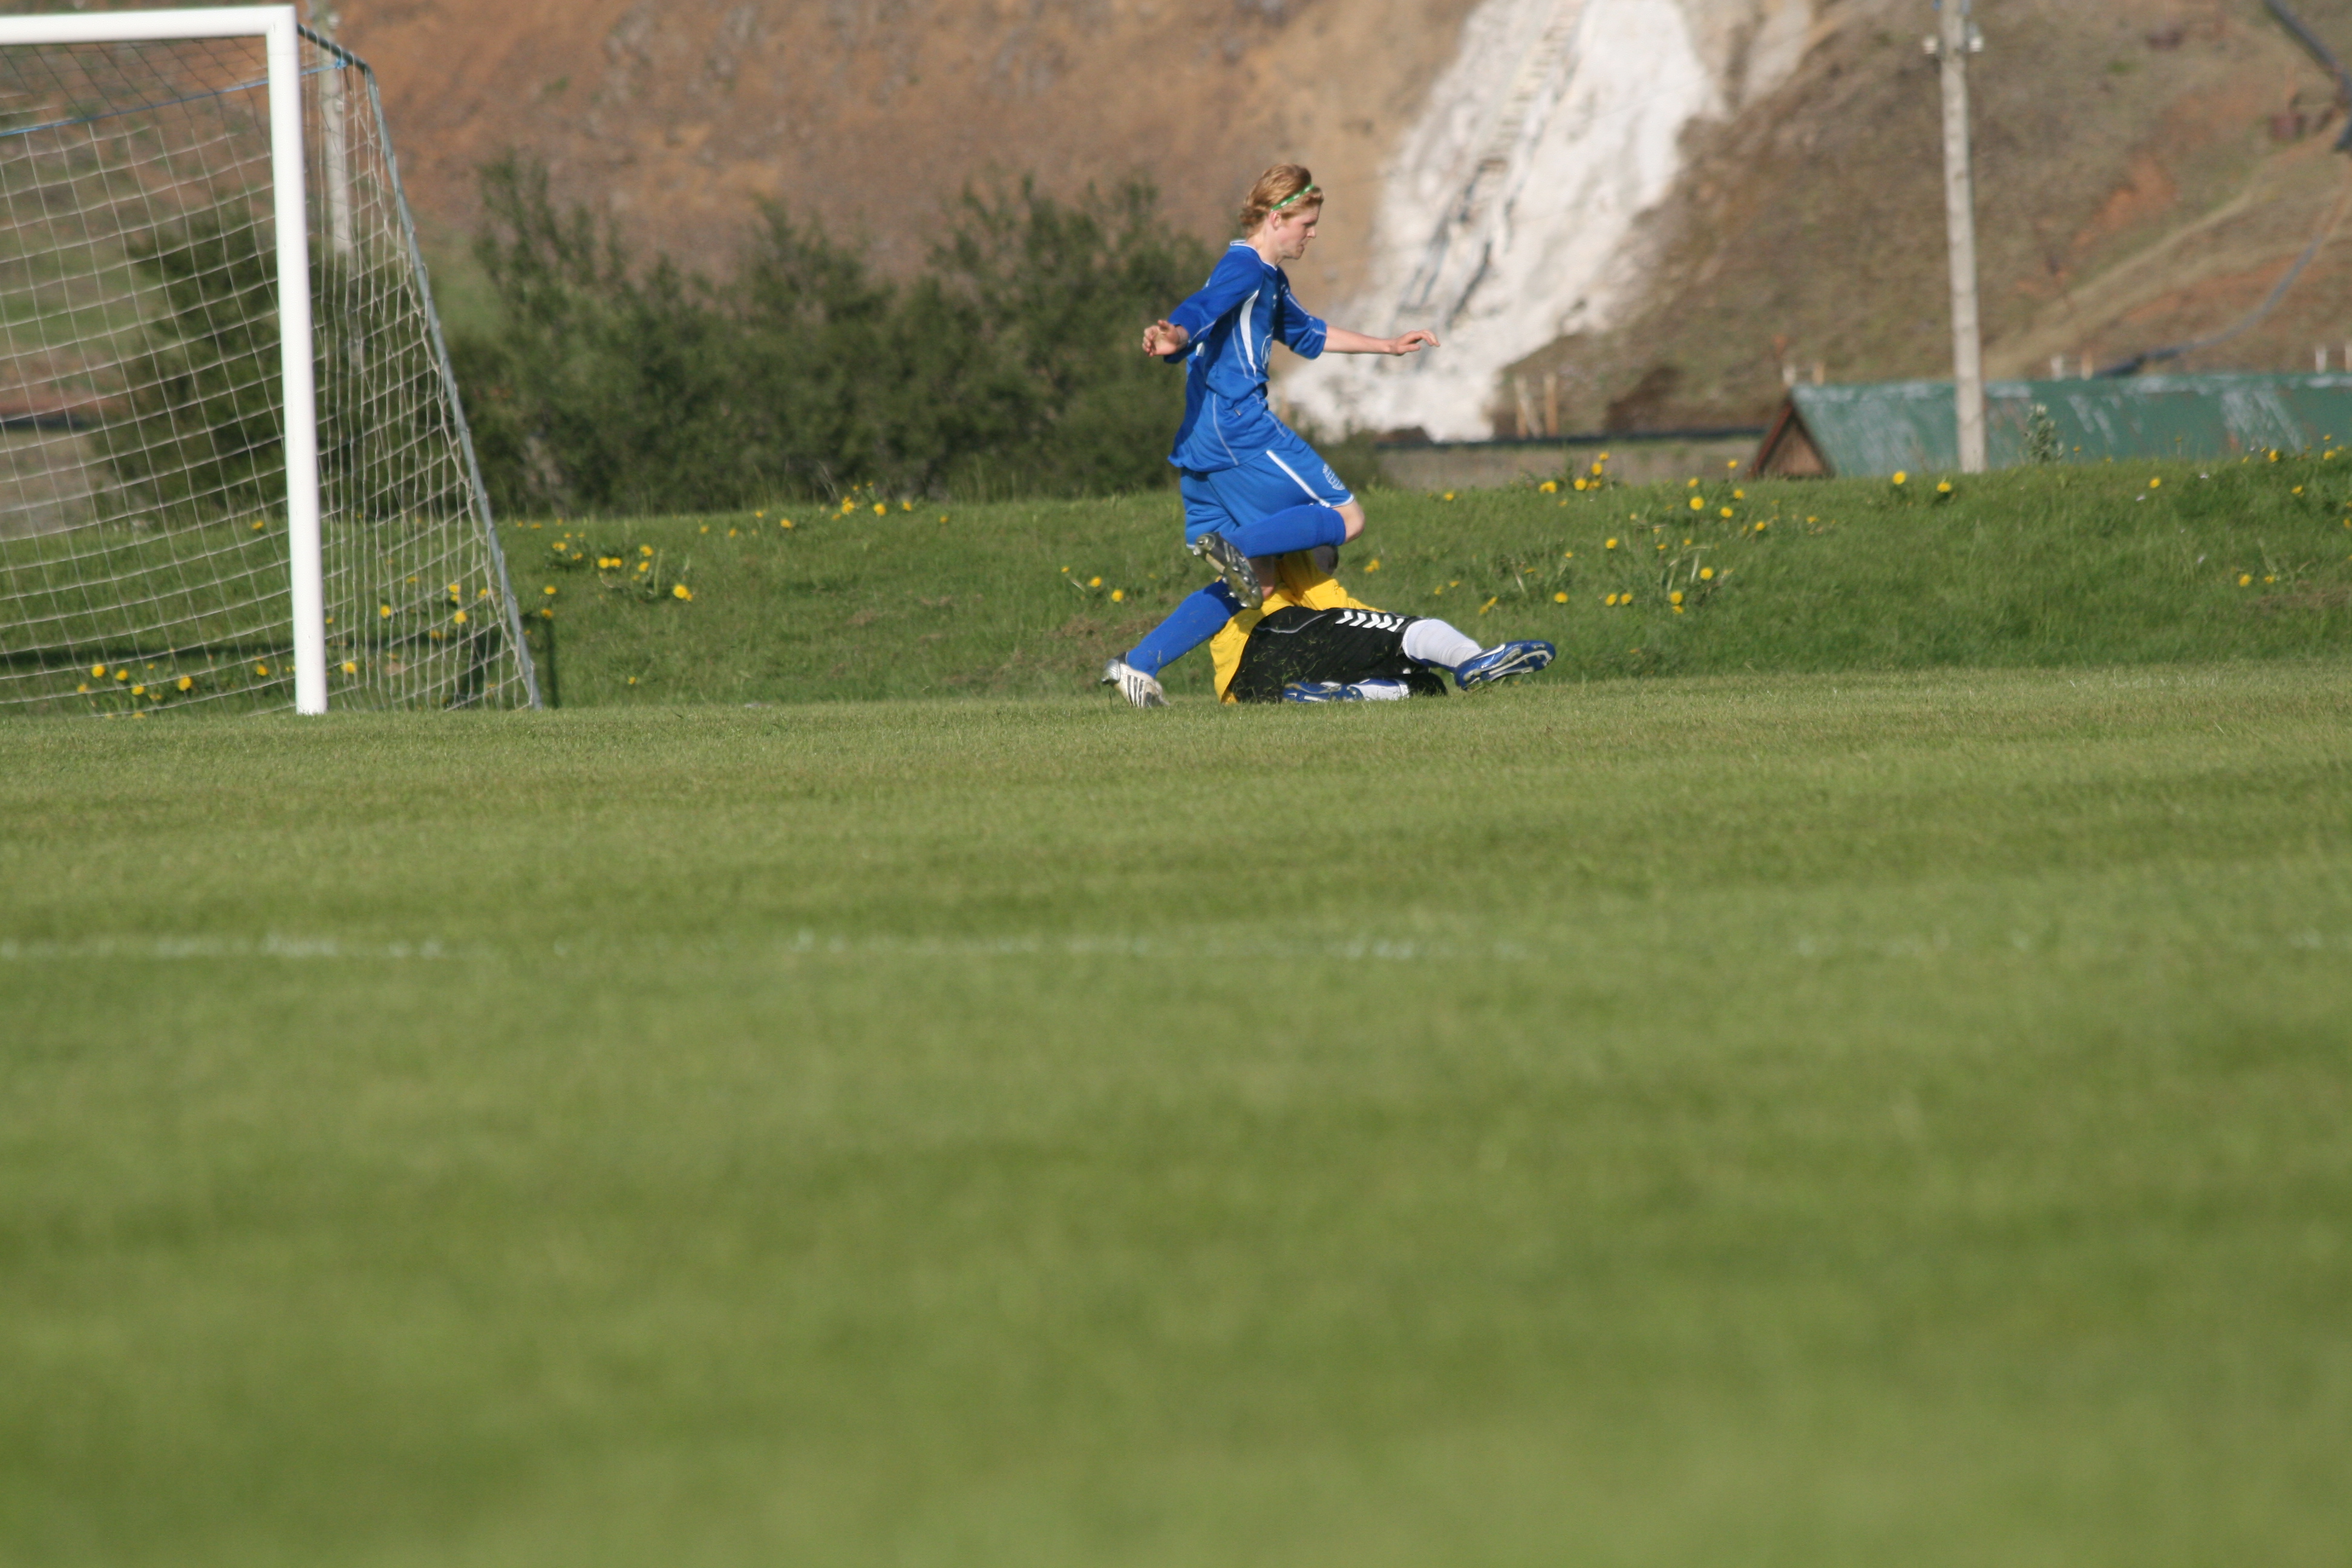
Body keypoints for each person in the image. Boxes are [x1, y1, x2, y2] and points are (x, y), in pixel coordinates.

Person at [1100, 163, 1440, 708]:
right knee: (1348, 516)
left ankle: (1139, 664)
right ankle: (1235, 546)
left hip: (1202, 444)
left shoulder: (1268, 280)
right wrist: (1177, 334)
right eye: (1307, 223)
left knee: (1255, 585)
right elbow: (1203, 308)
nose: (1313, 233)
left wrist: (1388, 345)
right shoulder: (1245, 269)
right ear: (1277, 218)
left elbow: (1308, 333)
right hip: (1240, 430)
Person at [1204, 550, 1555, 704]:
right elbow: (1338, 610)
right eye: (1328, 556)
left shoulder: (1236, 581)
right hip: (1275, 633)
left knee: (1428, 687)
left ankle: (1339, 696)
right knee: (1409, 632)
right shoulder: (1293, 564)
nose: (1328, 564)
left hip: (1250, 690)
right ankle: (1470, 658)